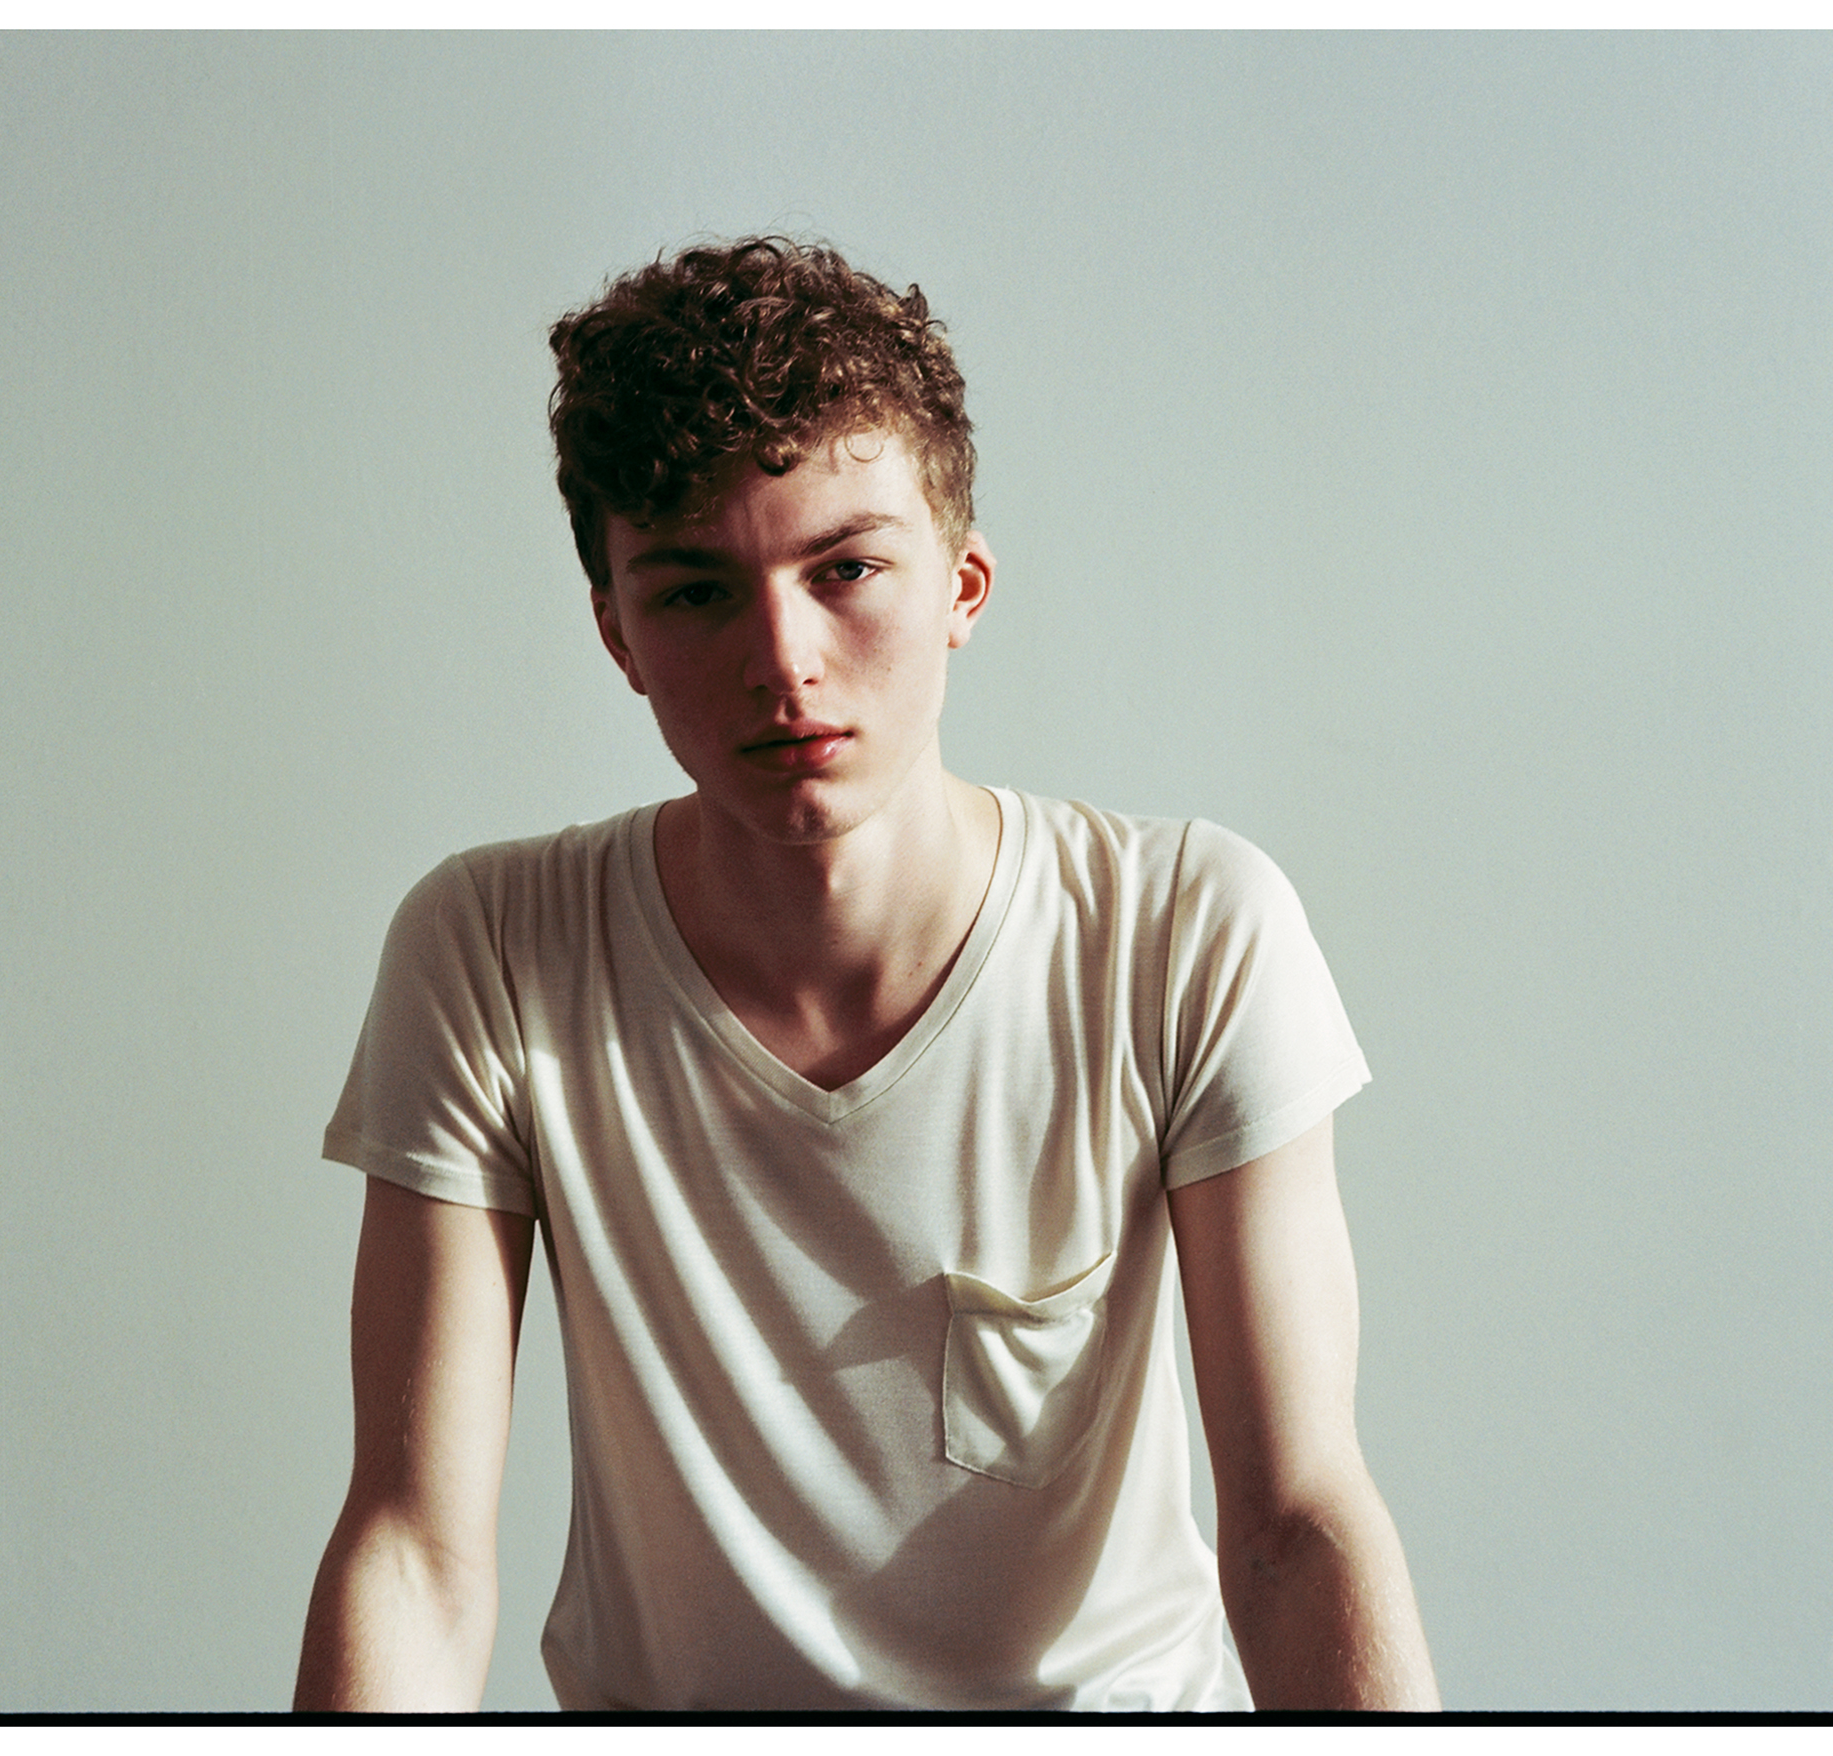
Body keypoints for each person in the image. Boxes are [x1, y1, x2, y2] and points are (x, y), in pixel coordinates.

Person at [293, 237, 1440, 1714]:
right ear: (617, 632)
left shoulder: (1182, 928)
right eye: (696, 593)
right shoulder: (494, 947)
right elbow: (416, 1551)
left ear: (963, 583)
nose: (784, 660)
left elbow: (1294, 1522)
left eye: (846, 569)